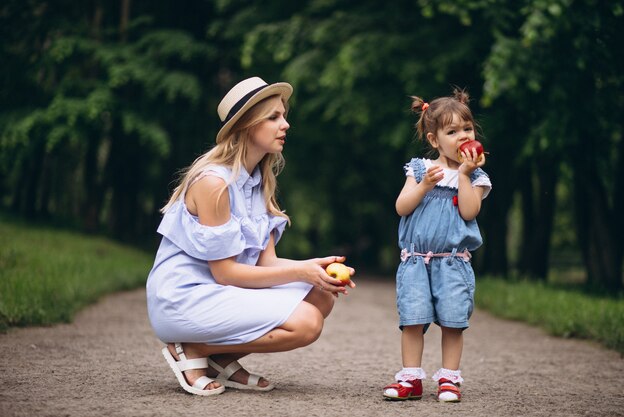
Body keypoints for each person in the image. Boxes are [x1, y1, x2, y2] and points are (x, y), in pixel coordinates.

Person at [146, 76, 355, 396]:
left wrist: (316, 268)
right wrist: (301, 271)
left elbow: (265, 262)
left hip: (219, 292)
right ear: (245, 126)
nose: (285, 125)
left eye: (284, 115)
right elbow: (226, 272)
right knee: (306, 323)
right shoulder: (214, 184)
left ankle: (220, 359)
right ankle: (194, 349)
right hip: (185, 298)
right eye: (273, 117)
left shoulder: (259, 182)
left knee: (320, 294)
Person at [382, 88, 491, 402]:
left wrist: (466, 175)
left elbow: (469, 211)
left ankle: (449, 380)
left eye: (467, 129)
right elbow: (402, 207)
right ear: (434, 140)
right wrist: (424, 186)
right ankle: (410, 378)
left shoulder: (477, 176)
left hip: (454, 262)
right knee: (413, 321)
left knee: (452, 322)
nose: (462, 136)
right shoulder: (420, 169)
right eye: (452, 131)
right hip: (416, 260)